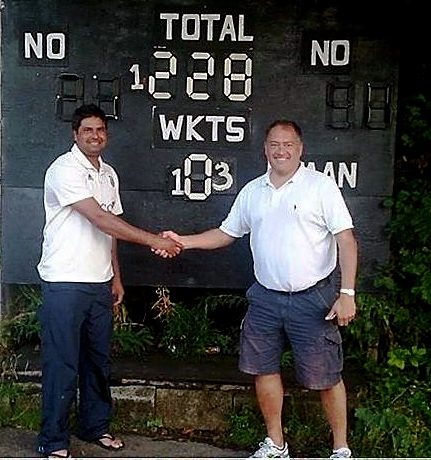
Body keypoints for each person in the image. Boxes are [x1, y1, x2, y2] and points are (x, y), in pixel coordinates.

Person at [156, 120, 357, 458]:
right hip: (265, 297)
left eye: (288, 144)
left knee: (327, 376)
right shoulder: (252, 191)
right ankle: (276, 445)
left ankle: (340, 449)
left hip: (314, 298)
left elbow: (346, 241)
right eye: (274, 144)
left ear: (300, 148)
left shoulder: (321, 187)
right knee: (264, 368)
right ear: (265, 149)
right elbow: (226, 233)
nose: (281, 150)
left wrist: (347, 293)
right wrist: (183, 242)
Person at [36, 104, 182, 459]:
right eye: (88, 130)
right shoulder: (63, 170)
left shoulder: (109, 174)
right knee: (62, 363)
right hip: (65, 282)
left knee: (98, 362)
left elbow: (110, 231)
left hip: (98, 283)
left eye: (100, 130)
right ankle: (52, 440)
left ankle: (95, 427)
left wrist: (115, 276)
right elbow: (100, 219)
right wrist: (155, 240)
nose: (95, 136)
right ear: (75, 134)